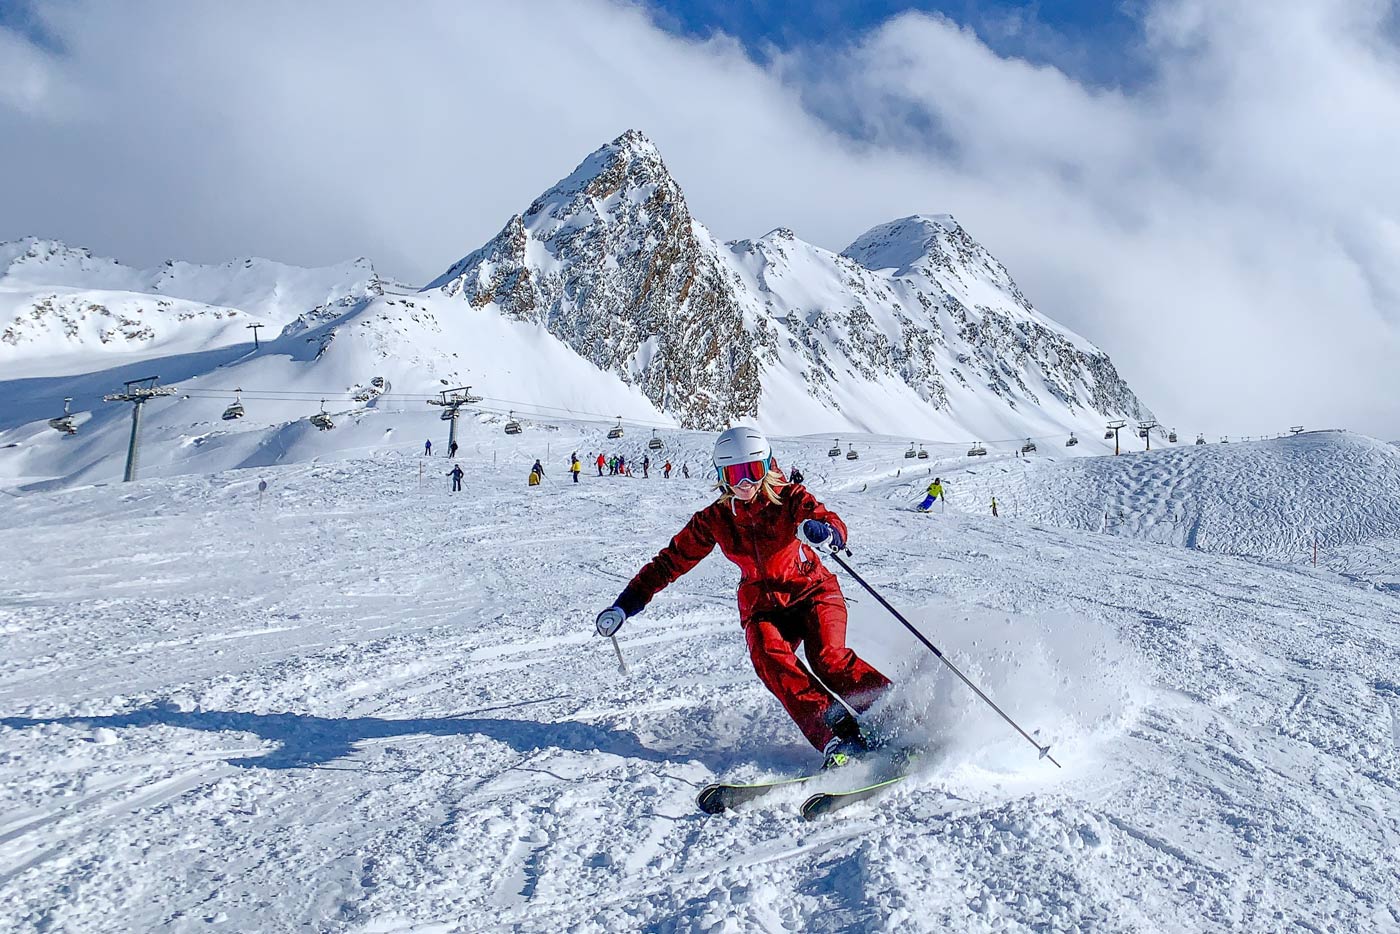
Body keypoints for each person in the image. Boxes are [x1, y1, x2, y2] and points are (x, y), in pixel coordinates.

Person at [593, 427, 891, 769]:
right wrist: (626, 603)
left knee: (827, 657)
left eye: (753, 471)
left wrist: (826, 532)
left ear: (767, 468)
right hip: (763, 606)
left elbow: (824, 518)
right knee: (769, 657)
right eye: (734, 474)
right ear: (721, 476)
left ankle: (893, 713)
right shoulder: (715, 520)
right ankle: (839, 734)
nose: (745, 483)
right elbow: (669, 562)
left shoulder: (790, 499)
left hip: (812, 592)